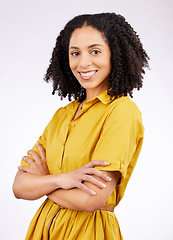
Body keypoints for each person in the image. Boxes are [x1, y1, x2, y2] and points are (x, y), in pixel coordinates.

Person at [13, 12, 149, 240]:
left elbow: (91, 200)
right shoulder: (62, 116)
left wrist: (43, 184)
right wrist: (61, 180)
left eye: (95, 51)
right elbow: (19, 187)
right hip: (42, 229)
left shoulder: (121, 111)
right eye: (75, 53)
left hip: (89, 231)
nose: (83, 62)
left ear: (115, 55)